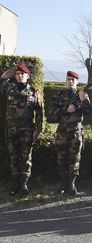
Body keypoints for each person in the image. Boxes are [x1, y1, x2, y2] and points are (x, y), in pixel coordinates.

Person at [0, 64, 43, 196]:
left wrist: (38, 129)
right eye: (18, 74)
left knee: (26, 158)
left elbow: (40, 113)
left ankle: (24, 184)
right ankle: (15, 184)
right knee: (14, 157)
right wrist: (3, 76)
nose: (20, 76)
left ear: (28, 76)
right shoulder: (9, 89)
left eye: (22, 74)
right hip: (12, 130)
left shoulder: (34, 92)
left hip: (27, 130)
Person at [48, 71, 91, 196]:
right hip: (62, 131)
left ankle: (71, 185)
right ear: (65, 81)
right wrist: (66, 109)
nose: (71, 81)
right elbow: (52, 113)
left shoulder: (82, 95)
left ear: (77, 82)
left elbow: (88, 113)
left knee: (75, 159)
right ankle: (63, 184)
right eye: (69, 79)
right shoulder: (59, 95)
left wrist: (83, 102)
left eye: (73, 79)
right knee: (62, 159)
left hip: (76, 132)